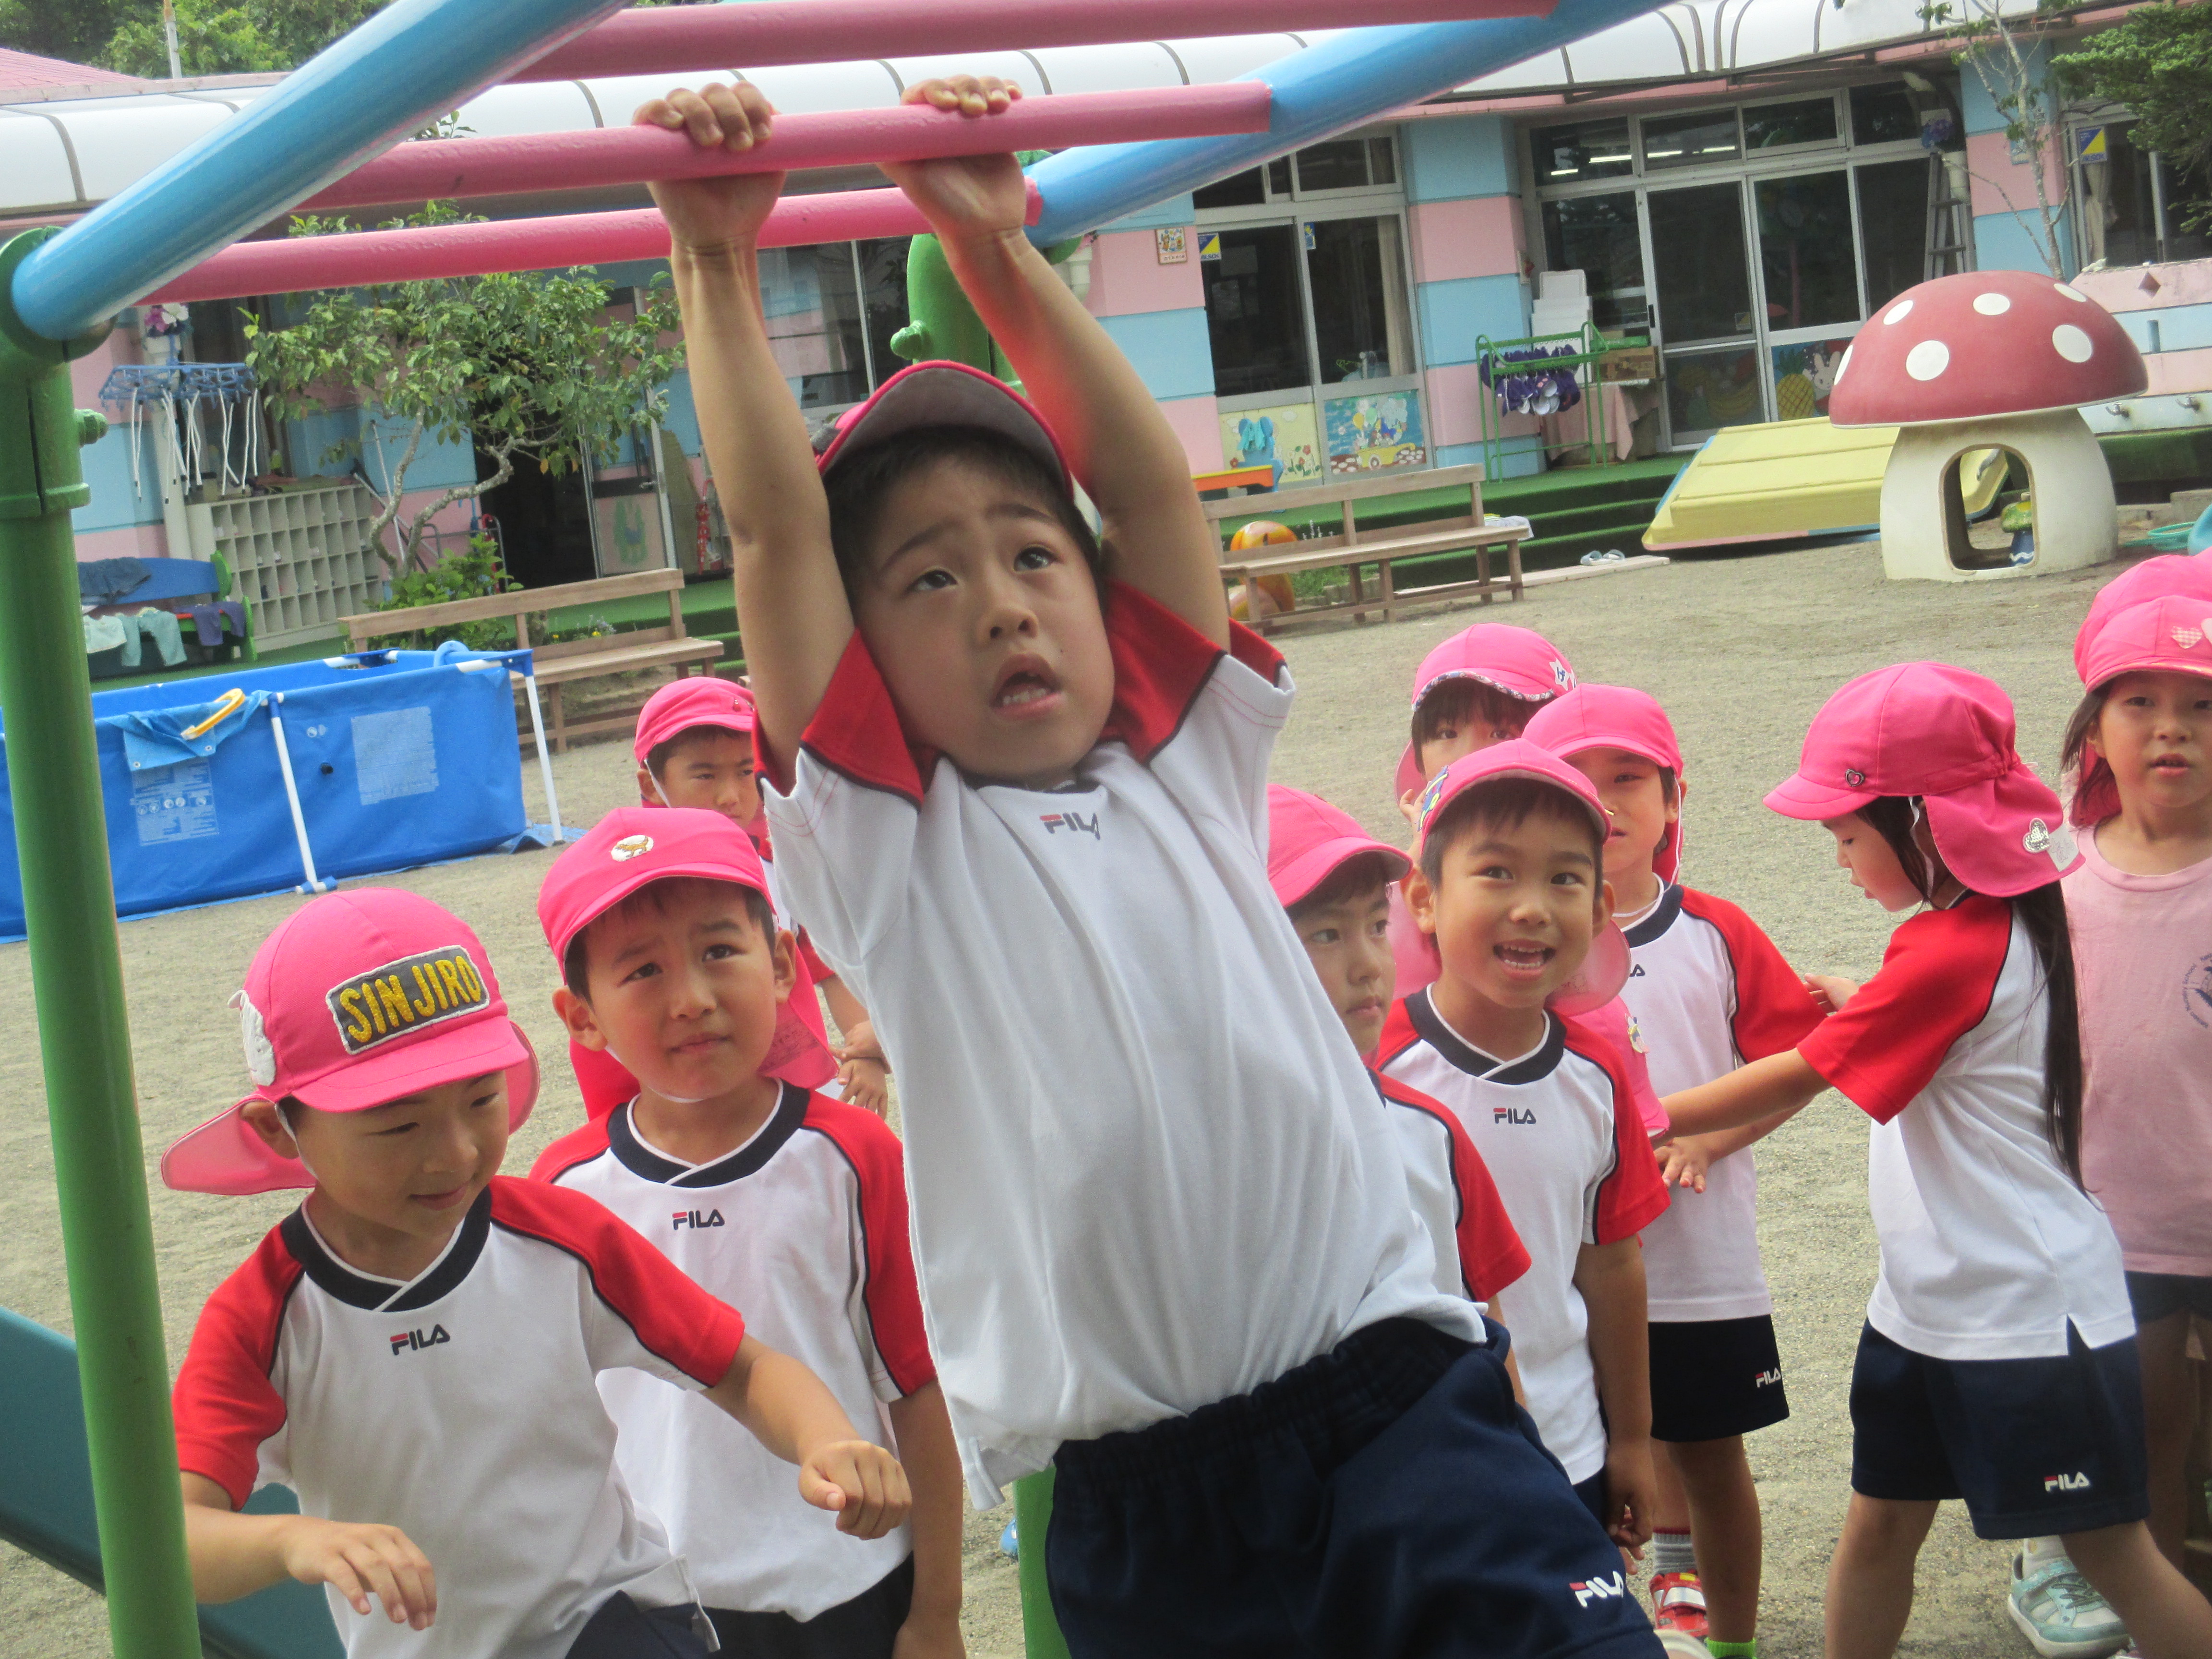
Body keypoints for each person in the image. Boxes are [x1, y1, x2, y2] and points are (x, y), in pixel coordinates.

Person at [640, 69, 1664, 1658]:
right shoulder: (891, 850)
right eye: (929, 581)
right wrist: (713, 262)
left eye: (1030, 556)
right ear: (865, 667)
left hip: (1394, 1401)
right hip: (1144, 1494)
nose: (1000, 601)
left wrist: (994, 249)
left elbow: (1144, 490)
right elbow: (777, 540)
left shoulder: (1183, 761)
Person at [159, 888, 910, 1659]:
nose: (455, 1153)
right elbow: (169, 1535)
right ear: (278, 1129)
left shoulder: (558, 1238)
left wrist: (824, 1439)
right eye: (399, 1126)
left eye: (481, 1099)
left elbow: (743, 1369)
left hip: (610, 1622)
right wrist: (293, 1541)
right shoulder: (265, 1318)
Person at [1656, 662, 2212, 1659]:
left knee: (2113, 1555)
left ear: (1922, 821)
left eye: (1846, 835)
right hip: (1926, 1304)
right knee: (1878, 1523)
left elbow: (1800, 1073)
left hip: (2026, 1315)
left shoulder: (1949, 951)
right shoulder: (1993, 920)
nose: (1839, 859)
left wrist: (1630, 1115)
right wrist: (1866, 1000)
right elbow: (1932, 1030)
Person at [532, 808, 964, 1658]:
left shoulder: (853, 1156)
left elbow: (917, 1390)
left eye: (719, 951)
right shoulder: (564, 1194)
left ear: (781, 964)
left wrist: (938, 1610)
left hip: (846, 1586)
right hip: (653, 1607)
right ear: (582, 1017)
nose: (692, 998)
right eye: (643, 970)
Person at [1527, 685, 1824, 1659]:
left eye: (1628, 778)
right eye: (1575, 781)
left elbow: (1808, 1064)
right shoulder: (1525, 945)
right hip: (1570, 1267)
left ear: (1673, 798)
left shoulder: (1716, 931)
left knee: (1708, 1454)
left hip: (1699, 1265)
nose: (1604, 802)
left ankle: (1728, 1640)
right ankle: (1630, 1622)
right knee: (1587, 1456)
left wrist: (1710, 1141)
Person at [1378, 742, 1672, 1557]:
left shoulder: (1597, 1074)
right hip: (1417, 1458)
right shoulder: (1374, 1065)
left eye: (1564, 879)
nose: (1532, 907)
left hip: (1568, 1448)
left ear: (1601, 908)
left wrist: (1631, 1440)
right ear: (1424, 898)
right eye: (1497, 873)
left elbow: (1611, 1263)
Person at [2026, 593, 2212, 1659]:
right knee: (2143, 1458)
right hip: (2110, 1230)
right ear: (2094, 728)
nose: (2171, 728)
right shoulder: (2053, 874)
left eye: (2201, 704)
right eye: (2139, 702)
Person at [1267, 783, 1531, 1319]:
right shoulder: (1196, 1155)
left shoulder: (1430, 1132)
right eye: (1326, 935)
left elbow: (1487, 1329)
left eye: (1377, 926)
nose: (1369, 965)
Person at [625, 676, 888, 1115]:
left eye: (746, 771)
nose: (730, 796)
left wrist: (865, 1049)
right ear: (652, 785)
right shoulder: (631, 891)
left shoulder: (783, 863)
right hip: (689, 1111)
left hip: (799, 1099)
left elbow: (829, 965)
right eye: (704, 775)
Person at [1388, 625, 1578, 993]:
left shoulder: (1602, 855)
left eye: (1502, 733)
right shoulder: (1400, 887)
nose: (1470, 756)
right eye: (1447, 734)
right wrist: (1424, 847)